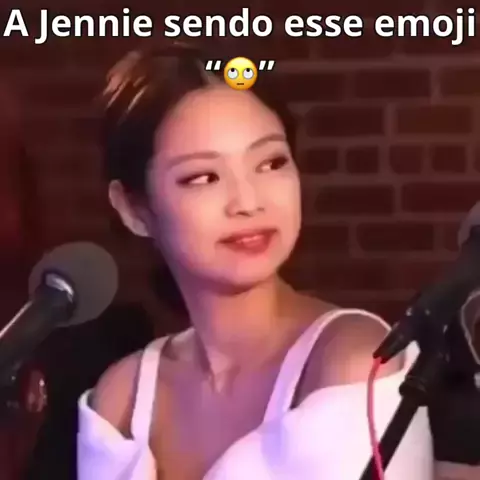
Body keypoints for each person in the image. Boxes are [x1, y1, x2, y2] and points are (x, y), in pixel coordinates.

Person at [76, 43, 434, 479]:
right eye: (203, 177)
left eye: (271, 163)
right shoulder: (122, 399)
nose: (248, 201)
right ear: (134, 208)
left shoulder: (352, 359)